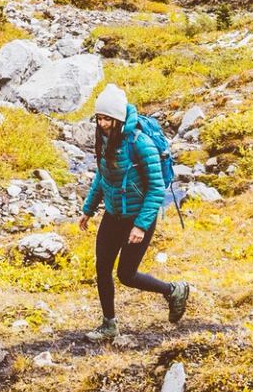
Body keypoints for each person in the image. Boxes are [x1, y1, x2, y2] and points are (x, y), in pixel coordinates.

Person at [78, 85, 191, 339]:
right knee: (102, 268)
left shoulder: (142, 144)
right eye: (99, 118)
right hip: (113, 214)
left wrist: (140, 225)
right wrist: (88, 209)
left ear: (119, 118)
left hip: (138, 217)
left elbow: (155, 189)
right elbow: (102, 176)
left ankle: (173, 290)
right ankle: (109, 325)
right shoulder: (104, 138)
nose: (103, 123)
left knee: (126, 275)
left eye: (108, 119)